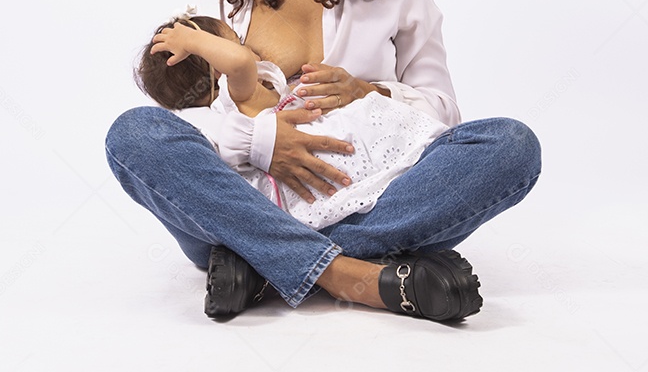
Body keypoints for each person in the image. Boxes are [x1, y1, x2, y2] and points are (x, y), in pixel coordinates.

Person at [105, 0, 541, 322]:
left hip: (361, 197)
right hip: (244, 197)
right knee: (134, 134)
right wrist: (263, 142)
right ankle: (352, 276)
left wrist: (370, 91)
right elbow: (192, 120)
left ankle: (261, 263)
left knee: (510, 146)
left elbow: (443, 114)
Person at [134, 13, 453, 231]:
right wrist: (192, 40)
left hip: (301, 179)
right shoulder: (236, 95)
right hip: (324, 158)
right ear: (220, 69)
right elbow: (241, 62)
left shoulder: (230, 108)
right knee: (388, 140)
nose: (249, 49)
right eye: (236, 41)